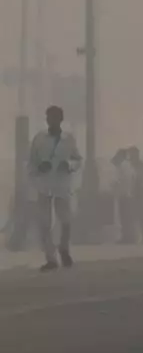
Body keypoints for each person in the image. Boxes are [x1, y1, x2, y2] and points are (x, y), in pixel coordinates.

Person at [27, 105, 80, 271]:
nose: (52, 120)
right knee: (44, 223)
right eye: (49, 117)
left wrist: (69, 165)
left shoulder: (68, 139)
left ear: (61, 119)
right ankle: (50, 258)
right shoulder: (39, 138)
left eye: (55, 117)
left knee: (65, 220)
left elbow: (77, 159)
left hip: (62, 185)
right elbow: (31, 162)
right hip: (44, 185)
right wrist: (39, 168)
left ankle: (64, 249)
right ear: (46, 119)